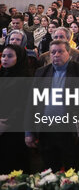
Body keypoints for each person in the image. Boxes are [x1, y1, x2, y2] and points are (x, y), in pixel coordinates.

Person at [25, 40, 79, 171]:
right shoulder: (41, 72)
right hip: (46, 129)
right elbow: (32, 103)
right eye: (53, 52)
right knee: (49, 171)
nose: (56, 55)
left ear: (68, 52)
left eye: (60, 51)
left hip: (70, 129)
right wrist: (29, 131)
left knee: (73, 170)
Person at [0, 45, 31, 173]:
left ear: (19, 58)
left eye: (10, 56)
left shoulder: (26, 78)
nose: (5, 59)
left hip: (15, 129)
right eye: (3, 56)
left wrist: (5, 123)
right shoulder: (2, 74)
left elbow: (24, 104)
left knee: (14, 168)